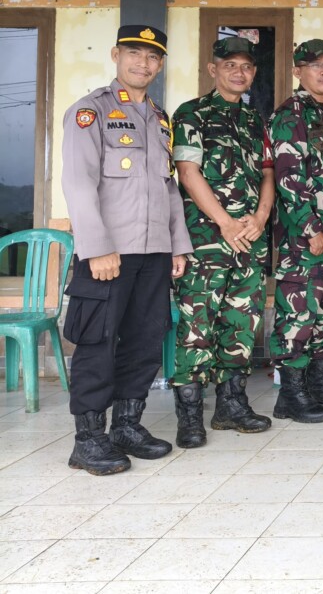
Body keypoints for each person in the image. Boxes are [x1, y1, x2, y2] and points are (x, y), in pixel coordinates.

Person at [60, 24, 191, 475]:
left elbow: (168, 187)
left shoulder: (159, 118)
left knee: (145, 339)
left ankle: (126, 426)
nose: (143, 63)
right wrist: (96, 248)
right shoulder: (91, 111)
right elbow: (78, 182)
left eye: (152, 57)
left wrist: (177, 246)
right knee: (97, 343)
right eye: (134, 53)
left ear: (160, 64)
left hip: (154, 252)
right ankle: (88, 439)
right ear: (116, 55)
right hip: (109, 254)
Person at [170, 36, 275, 448]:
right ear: (213, 69)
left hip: (249, 240)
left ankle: (231, 406)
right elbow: (187, 171)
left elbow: (268, 173)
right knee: (197, 327)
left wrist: (261, 217)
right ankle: (190, 416)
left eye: (246, 66)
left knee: (241, 324)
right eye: (229, 64)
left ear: (254, 73)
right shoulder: (192, 113)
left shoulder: (254, 120)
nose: (238, 72)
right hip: (206, 241)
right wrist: (225, 222)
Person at [269, 39, 323, 422]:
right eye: (315, 65)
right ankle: (291, 394)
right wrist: (310, 228)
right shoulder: (290, 115)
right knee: (298, 313)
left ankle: (319, 382)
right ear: (297, 71)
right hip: (306, 239)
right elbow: (288, 178)